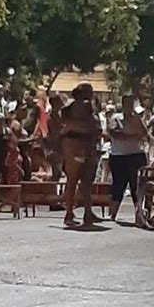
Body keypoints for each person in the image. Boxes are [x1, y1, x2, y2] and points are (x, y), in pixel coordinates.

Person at [60, 83, 101, 227]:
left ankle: (79, 212)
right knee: (80, 180)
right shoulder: (83, 105)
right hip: (80, 144)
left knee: (76, 180)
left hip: (77, 144)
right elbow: (90, 124)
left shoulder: (70, 108)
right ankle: (76, 212)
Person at [108, 94, 148, 222]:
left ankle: (139, 214)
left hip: (135, 154)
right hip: (119, 155)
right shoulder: (116, 117)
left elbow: (144, 133)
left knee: (136, 185)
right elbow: (114, 133)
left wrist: (136, 126)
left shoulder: (137, 118)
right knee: (118, 185)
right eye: (127, 104)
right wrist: (132, 136)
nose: (129, 107)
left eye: (131, 104)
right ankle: (113, 214)